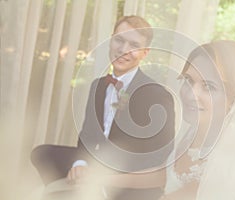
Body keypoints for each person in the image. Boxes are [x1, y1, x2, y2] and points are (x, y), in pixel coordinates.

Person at [31, 15, 175, 200]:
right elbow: (88, 135)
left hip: (128, 177)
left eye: (134, 45)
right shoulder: (98, 86)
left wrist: (107, 177)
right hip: (96, 162)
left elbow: (159, 158)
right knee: (42, 154)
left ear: (145, 53)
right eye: (119, 40)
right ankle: (75, 188)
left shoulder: (157, 95)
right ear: (110, 40)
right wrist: (81, 163)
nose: (123, 50)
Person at [161, 40, 235, 200]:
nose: (191, 94)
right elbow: (165, 178)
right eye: (188, 80)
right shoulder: (195, 129)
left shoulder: (231, 156)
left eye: (209, 87)